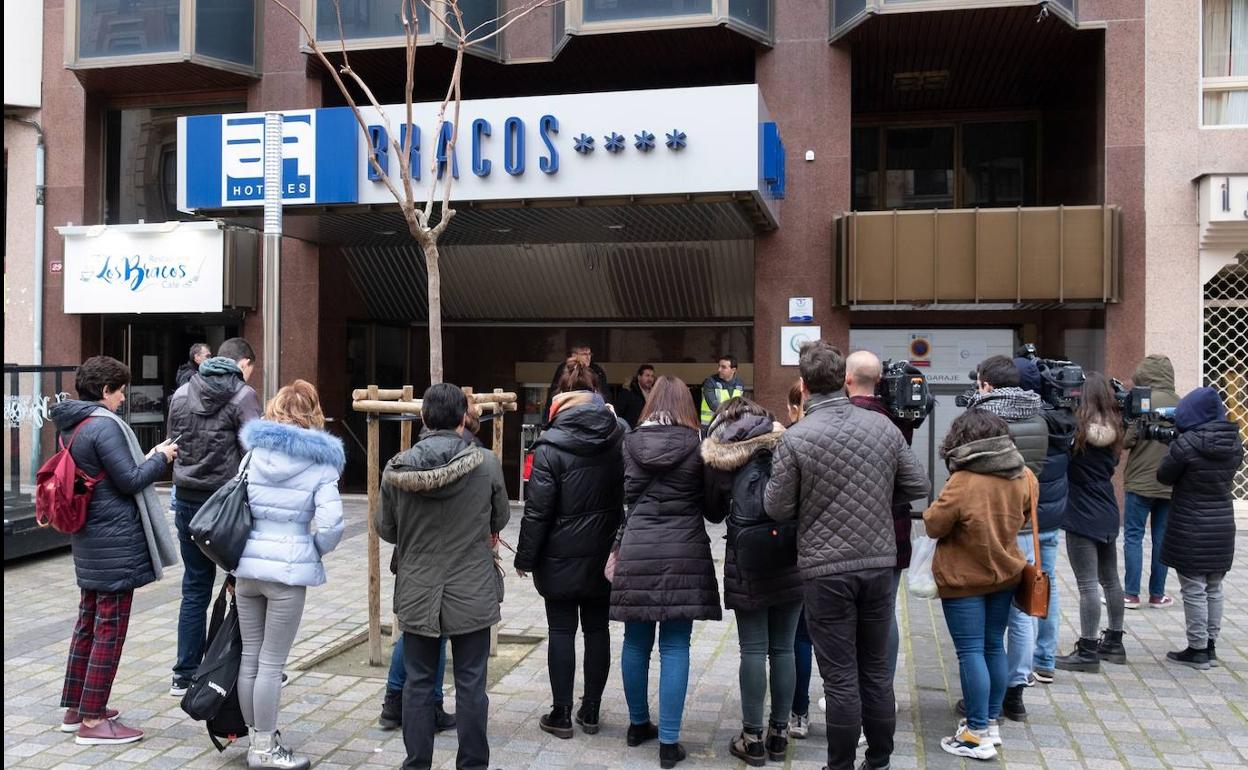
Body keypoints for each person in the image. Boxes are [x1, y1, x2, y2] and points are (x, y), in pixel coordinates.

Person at [764, 341, 929, 770]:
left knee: (839, 676)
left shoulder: (797, 439)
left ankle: (839, 765)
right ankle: (879, 759)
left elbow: (776, 508)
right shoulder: (885, 427)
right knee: (875, 670)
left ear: (802, 387)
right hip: (877, 562)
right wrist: (875, 493)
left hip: (825, 569)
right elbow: (918, 486)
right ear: (844, 381)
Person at [378, 383, 510, 770]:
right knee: (472, 684)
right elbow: (499, 517)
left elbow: (387, 529)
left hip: (418, 588)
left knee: (418, 683)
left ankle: (416, 763)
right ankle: (472, 764)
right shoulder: (486, 463)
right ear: (461, 419)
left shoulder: (396, 467)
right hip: (472, 587)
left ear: (422, 418)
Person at [50, 356, 179, 744]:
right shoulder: (103, 427)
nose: (124, 397)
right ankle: (92, 722)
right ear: (105, 391)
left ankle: (77, 707)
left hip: (91, 541)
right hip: (115, 545)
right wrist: (160, 458)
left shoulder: (73, 425)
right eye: (120, 389)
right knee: (110, 631)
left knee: (88, 624)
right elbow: (130, 480)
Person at [233, 380, 345, 770]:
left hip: (246, 567)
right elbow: (331, 525)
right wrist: (312, 549)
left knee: (250, 656)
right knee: (271, 662)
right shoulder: (321, 462)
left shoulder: (253, 454)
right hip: (288, 571)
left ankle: (255, 737)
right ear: (313, 412)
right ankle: (264, 748)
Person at [610, 376, 721, 769]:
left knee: (635, 641)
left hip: (638, 548)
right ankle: (669, 744)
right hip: (684, 550)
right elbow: (712, 509)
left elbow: (624, 496)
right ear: (687, 407)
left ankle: (638, 724)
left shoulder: (629, 443)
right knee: (676, 645)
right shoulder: (698, 444)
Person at [515, 363, 625, 739]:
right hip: (604, 553)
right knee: (598, 631)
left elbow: (537, 510)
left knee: (561, 630)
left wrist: (525, 558)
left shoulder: (549, 445)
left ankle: (560, 714)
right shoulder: (618, 435)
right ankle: (591, 711)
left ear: (558, 399)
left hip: (558, 556)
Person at [923, 410, 1035, 760]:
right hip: (1006, 573)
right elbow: (1028, 515)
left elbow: (934, 525)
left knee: (970, 651)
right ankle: (990, 722)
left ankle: (974, 734)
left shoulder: (964, 480)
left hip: (964, 578)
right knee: (992, 646)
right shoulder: (1024, 474)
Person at [702, 397, 800, 767]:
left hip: (747, 560)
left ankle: (753, 737)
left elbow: (712, 512)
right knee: (785, 648)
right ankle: (780, 733)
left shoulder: (723, 452)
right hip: (791, 553)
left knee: (753, 650)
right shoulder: (788, 442)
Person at [167, 337, 262, 696]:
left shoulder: (180, 395)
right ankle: (238, 669)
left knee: (194, 587)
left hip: (188, 501)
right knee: (244, 586)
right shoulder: (243, 396)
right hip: (228, 505)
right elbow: (255, 451)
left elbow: (172, 444)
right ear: (243, 365)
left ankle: (185, 673)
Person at [960, 355, 1047, 720]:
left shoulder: (983, 418)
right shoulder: (1039, 417)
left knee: (982, 623)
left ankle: (982, 697)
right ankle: (1016, 689)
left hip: (988, 525)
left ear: (986, 384)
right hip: (1025, 524)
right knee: (1023, 614)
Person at [844, 351, 919, 708]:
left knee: (851, 618)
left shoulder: (843, 417)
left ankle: (853, 693)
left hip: (849, 534)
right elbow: (915, 481)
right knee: (885, 613)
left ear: (847, 379)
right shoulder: (899, 414)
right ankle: (881, 690)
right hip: (895, 529)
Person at [1159, 387, 1243, 669]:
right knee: (1214, 586)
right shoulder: (1235, 442)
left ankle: (1196, 649)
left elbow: (1164, 476)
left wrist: (1174, 444)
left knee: (1193, 587)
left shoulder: (1187, 444)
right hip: (1221, 524)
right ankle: (1209, 647)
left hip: (1190, 523)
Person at [1056, 373, 1128, 673]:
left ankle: (1087, 649)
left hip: (1081, 513)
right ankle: (1114, 641)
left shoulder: (1076, 433)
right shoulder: (1117, 429)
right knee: (1110, 579)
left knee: (1087, 584)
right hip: (1108, 509)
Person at [1013, 357, 1076, 686]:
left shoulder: (1024, 418)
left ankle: (1021, 664)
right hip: (1051, 516)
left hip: (1027, 517)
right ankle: (1045, 659)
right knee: (1044, 583)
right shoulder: (1063, 418)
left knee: (1022, 590)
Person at [1122, 355, 1180, 609]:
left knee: (1133, 536)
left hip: (1139, 481)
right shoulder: (1181, 403)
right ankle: (1157, 595)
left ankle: (1131, 594)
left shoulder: (1141, 401)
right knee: (1162, 537)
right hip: (1169, 482)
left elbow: (1127, 441)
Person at [783, 379, 816, 740]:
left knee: (801, 637)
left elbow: (777, 503)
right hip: (845, 552)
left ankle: (798, 712)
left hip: (798, 550)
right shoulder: (848, 434)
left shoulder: (789, 439)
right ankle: (849, 713)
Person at [546, 343, 610, 411]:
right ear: (574, 355)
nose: (588, 357)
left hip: (592, 407)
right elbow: (555, 392)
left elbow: (604, 393)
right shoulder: (565, 369)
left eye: (589, 354)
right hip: (568, 406)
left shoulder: (597, 371)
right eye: (584, 354)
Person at [700, 355, 745, 432]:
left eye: (723, 367)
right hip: (710, 425)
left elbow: (740, 404)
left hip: (731, 425)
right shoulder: (710, 382)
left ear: (733, 370)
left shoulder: (739, 383)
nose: (719, 369)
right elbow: (713, 404)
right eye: (719, 366)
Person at [616, 364, 656, 428]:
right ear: (639, 377)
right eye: (647, 376)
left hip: (650, 430)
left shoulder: (655, 393)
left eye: (652, 376)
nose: (650, 379)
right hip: (632, 431)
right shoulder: (628, 392)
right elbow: (618, 413)